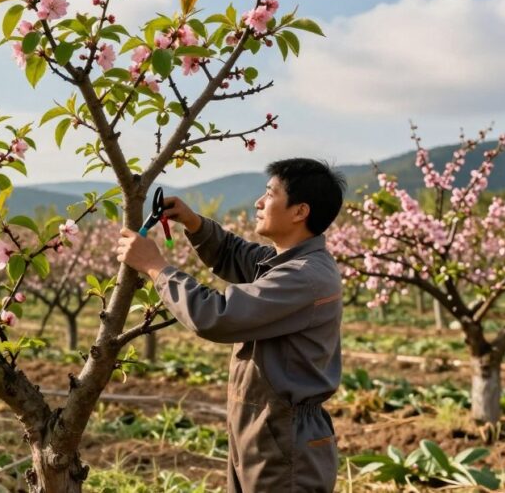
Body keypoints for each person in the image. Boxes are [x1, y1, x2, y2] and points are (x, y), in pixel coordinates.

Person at [116, 158, 346, 492]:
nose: (259, 202)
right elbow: (237, 255)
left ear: (299, 211)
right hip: (264, 429)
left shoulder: (305, 277)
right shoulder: (289, 262)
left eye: (270, 193)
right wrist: (195, 224)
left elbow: (216, 315)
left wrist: (156, 268)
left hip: (284, 437)